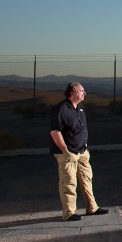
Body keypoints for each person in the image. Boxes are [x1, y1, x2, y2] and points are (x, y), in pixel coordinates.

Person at [49, 82, 109, 221]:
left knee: (87, 179)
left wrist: (84, 148)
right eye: (82, 90)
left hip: (82, 152)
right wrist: (65, 151)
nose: (84, 93)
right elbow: (55, 132)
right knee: (68, 182)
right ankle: (69, 212)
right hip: (67, 153)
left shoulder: (80, 108)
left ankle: (92, 208)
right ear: (74, 91)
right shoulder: (61, 109)